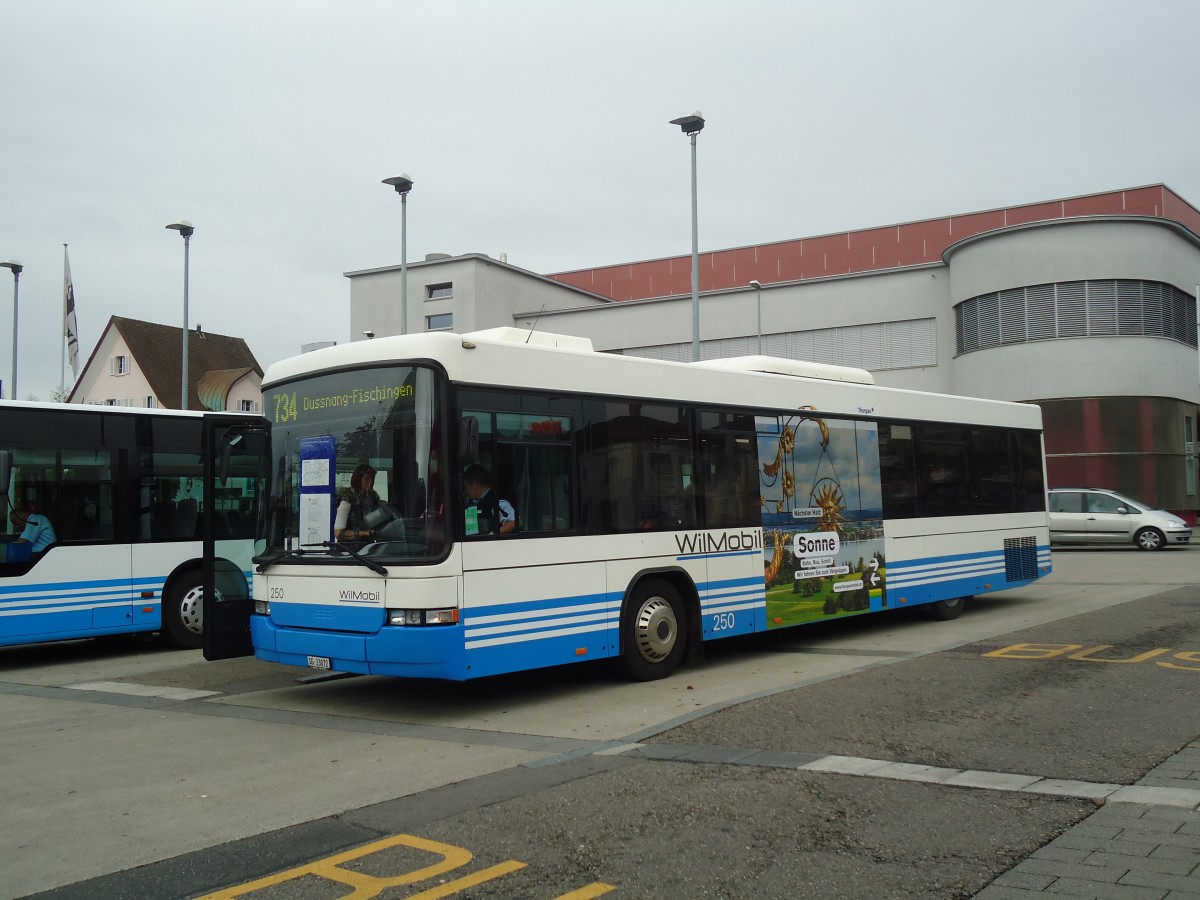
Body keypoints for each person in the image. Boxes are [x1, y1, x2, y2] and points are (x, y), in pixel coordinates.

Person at [334, 463, 381, 542]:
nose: (370, 483)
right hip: (348, 551)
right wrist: (364, 533)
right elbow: (338, 534)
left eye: (372, 479)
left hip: (367, 549)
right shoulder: (347, 501)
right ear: (358, 479)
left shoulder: (372, 500)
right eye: (366, 479)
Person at [463, 464, 515, 535]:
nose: (465, 490)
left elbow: (514, 523)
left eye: (466, 485)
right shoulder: (472, 503)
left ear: (474, 484)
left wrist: (491, 535)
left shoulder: (497, 501)